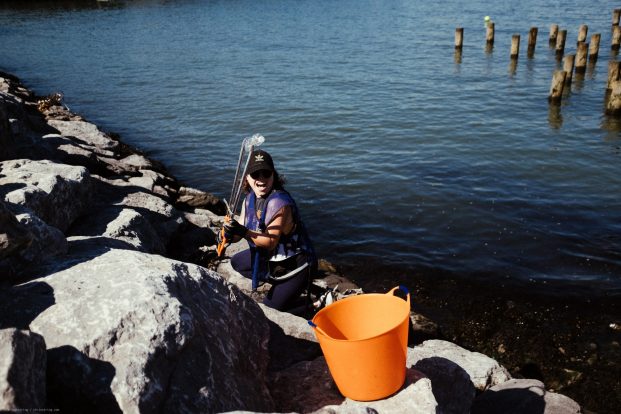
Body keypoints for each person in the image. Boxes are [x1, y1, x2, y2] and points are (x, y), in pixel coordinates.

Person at [218, 149, 317, 311]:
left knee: (269, 311)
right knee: (237, 262)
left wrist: (243, 232)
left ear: (274, 175)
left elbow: (270, 242)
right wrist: (228, 234)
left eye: (266, 174)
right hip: (272, 259)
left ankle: (314, 303)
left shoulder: (279, 203)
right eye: (256, 174)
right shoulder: (250, 198)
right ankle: (282, 287)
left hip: (296, 264)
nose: (261, 179)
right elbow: (239, 231)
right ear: (247, 178)